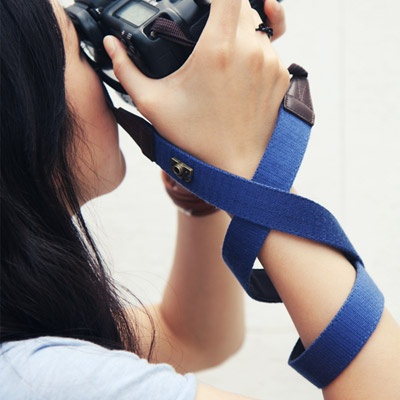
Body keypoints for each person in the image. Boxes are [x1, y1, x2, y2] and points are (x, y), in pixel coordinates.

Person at [0, 1, 399, 400]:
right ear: (24, 109)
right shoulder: (44, 381)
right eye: (76, 45)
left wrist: (204, 180)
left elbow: (193, 335)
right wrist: (249, 170)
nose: (103, 66)